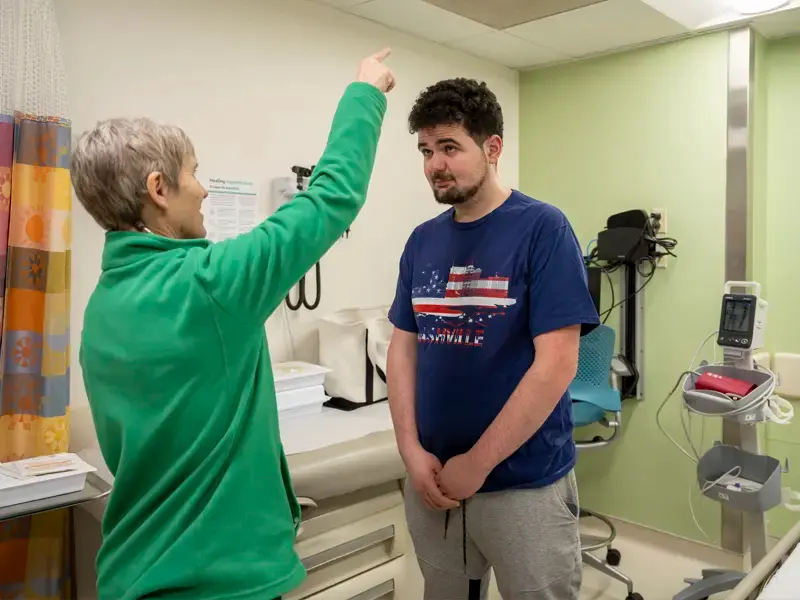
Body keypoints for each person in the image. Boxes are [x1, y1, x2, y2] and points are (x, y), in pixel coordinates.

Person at [73, 50, 395, 600]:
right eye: (194, 172)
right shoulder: (209, 283)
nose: (203, 189)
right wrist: (366, 92)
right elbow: (332, 196)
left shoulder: (102, 306)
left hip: (131, 573)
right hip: (216, 583)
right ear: (159, 189)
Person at [386, 78, 600, 600]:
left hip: (522, 483)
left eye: (450, 147)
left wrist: (477, 465)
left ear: (493, 148)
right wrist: (410, 450)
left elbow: (557, 364)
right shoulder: (423, 240)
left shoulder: (543, 228)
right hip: (434, 481)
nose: (435, 164)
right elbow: (403, 348)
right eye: (426, 150)